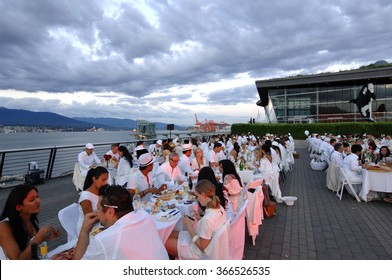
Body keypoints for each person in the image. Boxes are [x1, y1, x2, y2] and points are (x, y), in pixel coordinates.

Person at [73, 185, 168, 260]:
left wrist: (84, 231)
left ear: (110, 212)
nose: (96, 212)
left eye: (98, 208)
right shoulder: (145, 216)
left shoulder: (102, 240)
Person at [164, 180, 226, 259]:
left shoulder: (207, 220)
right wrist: (200, 218)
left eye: (197, 196)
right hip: (203, 239)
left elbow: (203, 248)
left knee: (163, 241)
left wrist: (188, 226)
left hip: (197, 252)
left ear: (203, 195)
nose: (197, 199)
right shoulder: (219, 208)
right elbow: (213, 225)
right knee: (167, 234)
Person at [0, 185, 60, 259]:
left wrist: (49, 237)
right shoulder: (3, 227)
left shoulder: (30, 219)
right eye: (32, 200)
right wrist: (41, 233)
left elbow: (29, 243)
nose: (38, 201)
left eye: (37, 197)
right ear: (19, 207)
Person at [77, 166, 109, 235]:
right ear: (94, 179)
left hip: (101, 222)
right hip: (89, 228)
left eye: (107, 179)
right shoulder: (86, 197)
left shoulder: (102, 190)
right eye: (103, 180)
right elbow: (90, 219)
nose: (106, 183)